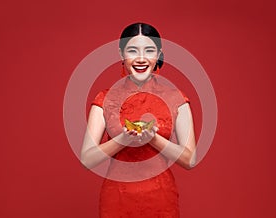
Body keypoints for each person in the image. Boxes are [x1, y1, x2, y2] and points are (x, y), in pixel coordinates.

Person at [80, 22, 197, 218]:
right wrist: (122, 141)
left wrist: (154, 139)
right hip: (116, 200)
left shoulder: (176, 99)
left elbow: (190, 160)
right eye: (133, 50)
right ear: (121, 54)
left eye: (149, 50)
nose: (141, 59)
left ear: (158, 53)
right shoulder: (104, 99)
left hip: (161, 199)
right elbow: (86, 159)